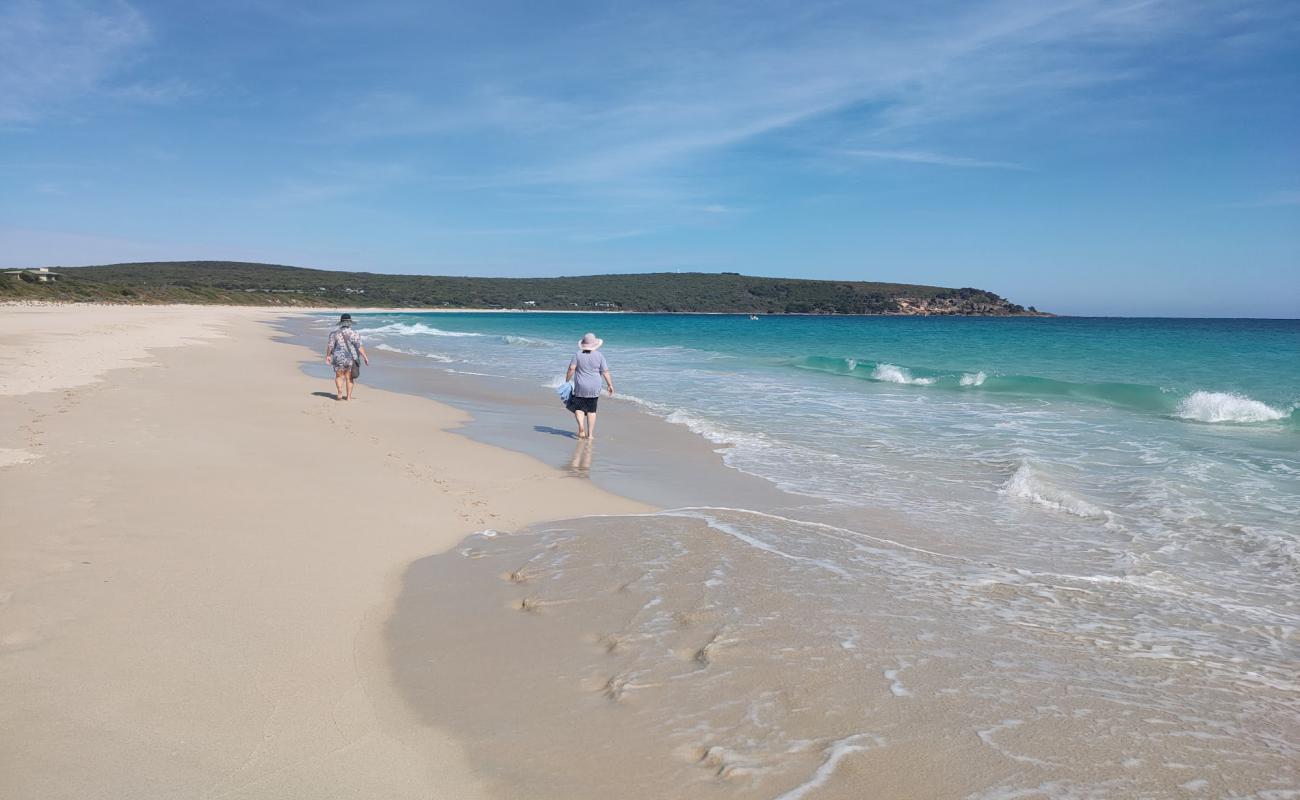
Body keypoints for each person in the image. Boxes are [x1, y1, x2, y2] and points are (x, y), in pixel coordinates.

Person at [564, 332, 614, 439]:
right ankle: (590, 435)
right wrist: (610, 385)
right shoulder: (599, 355)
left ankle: (581, 428)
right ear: (595, 344)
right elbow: (605, 371)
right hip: (595, 386)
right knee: (592, 410)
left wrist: (567, 380)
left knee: (578, 408)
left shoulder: (577, 354)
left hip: (581, 386)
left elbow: (571, 368)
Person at [325, 313, 369, 401]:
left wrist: (328, 356)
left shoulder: (334, 334)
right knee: (350, 378)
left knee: (339, 376)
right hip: (350, 358)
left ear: (341, 322)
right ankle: (348, 397)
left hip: (338, 358)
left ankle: (340, 391)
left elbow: (330, 346)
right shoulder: (354, 334)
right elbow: (359, 347)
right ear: (350, 323)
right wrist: (365, 357)